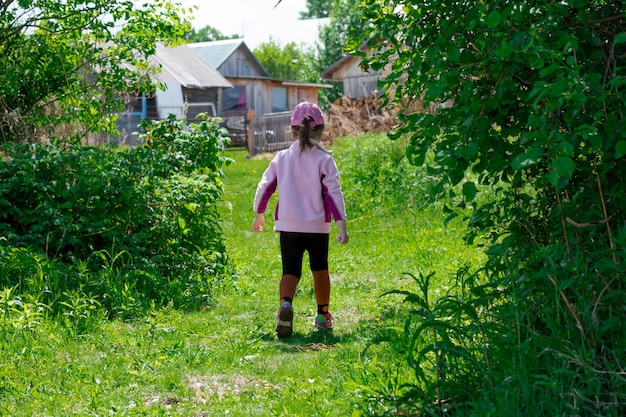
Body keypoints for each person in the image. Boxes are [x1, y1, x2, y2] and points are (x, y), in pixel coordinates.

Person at [252, 101, 349, 338]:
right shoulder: (325, 159)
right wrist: (341, 224)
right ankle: (323, 315)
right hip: (317, 227)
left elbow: (265, 187)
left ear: (292, 130)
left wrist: (259, 213)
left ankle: (285, 304)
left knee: (290, 270)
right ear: (322, 130)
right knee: (320, 269)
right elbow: (333, 193)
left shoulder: (282, 158)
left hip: (288, 226)